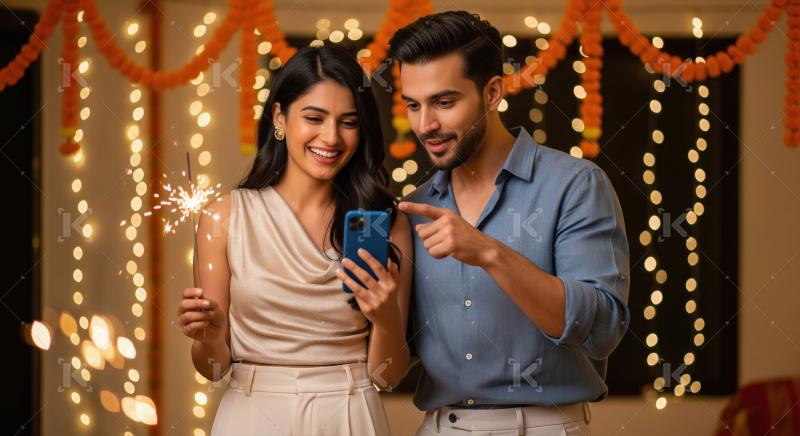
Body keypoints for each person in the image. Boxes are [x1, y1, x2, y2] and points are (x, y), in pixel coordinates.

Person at [389, 11, 631, 435]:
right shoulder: (414, 208)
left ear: (492, 92)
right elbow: (395, 357)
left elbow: (603, 327)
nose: (425, 125)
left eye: (444, 103)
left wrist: (488, 252)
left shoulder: (574, 185)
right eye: (413, 105)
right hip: (441, 427)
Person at [176, 45, 412, 436]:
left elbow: (388, 378)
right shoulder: (223, 217)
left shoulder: (387, 222)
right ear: (279, 117)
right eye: (314, 118)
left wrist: (387, 322)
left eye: (349, 122)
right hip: (251, 414)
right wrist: (210, 338)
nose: (331, 137)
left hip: (350, 414)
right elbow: (214, 370)